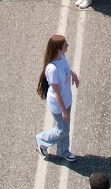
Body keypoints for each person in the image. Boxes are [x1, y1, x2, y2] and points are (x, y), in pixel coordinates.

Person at [36, 33, 78, 162]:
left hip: (66, 99)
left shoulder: (62, 57)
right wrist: (64, 111)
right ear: (59, 49)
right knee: (63, 130)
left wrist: (73, 74)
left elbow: (65, 69)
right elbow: (56, 92)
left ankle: (63, 151)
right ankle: (42, 140)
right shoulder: (52, 69)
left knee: (65, 128)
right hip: (59, 105)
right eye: (65, 45)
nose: (68, 46)